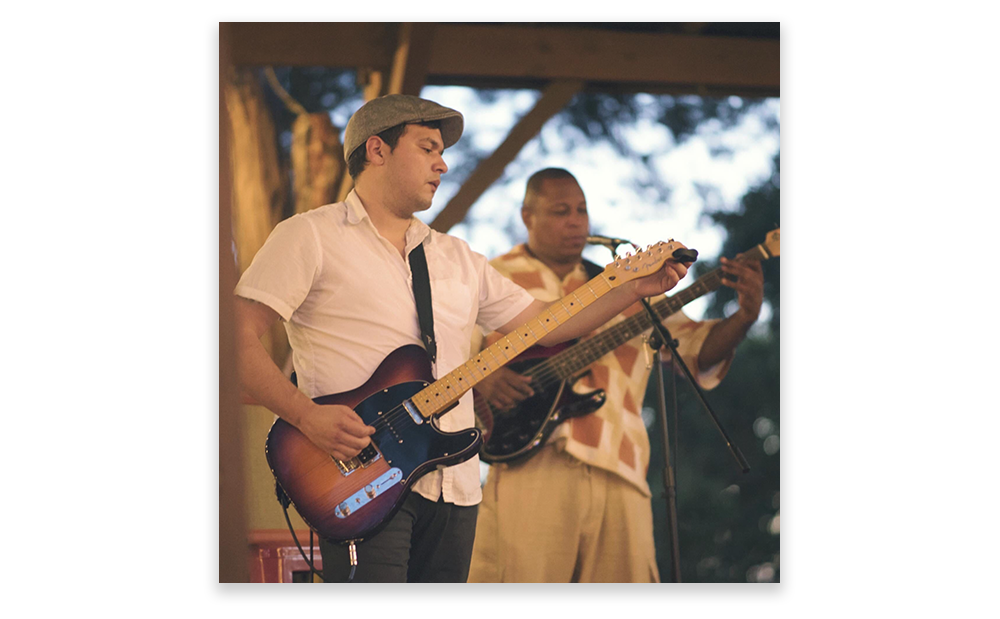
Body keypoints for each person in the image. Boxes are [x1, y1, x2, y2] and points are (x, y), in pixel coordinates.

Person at [232, 97, 692, 583]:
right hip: (358, 477)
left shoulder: (458, 257)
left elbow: (548, 323)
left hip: (457, 486)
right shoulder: (310, 236)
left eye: (443, 151)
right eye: (428, 147)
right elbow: (233, 340)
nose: (443, 162)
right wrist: (306, 415)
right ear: (377, 150)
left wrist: (630, 288)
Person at [467, 168, 765, 583]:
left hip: (622, 465)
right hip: (529, 462)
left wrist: (745, 316)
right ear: (526, 216)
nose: (576, 221)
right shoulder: (493, 275)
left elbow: (694, 349)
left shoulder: (625, 284)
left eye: (582, 211)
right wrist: (483, 378)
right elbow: (446, 352)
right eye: (560, 211)